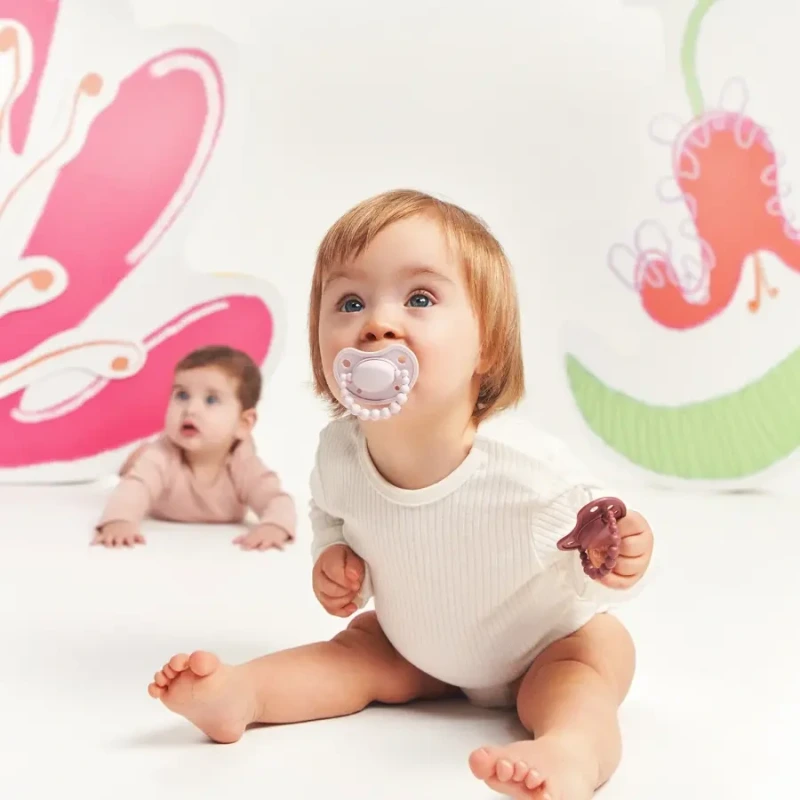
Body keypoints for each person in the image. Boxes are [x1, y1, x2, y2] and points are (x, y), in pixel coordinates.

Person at [147, 191, 654, 800]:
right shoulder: (340, 454)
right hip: (417, 645)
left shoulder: (525, 472)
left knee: (585, 672)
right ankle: (243, 695)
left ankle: (569, 754)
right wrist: (333, 555)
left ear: (487, 347)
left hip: (547, 647)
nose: (378, 324)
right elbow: (330, 511)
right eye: (350, 302)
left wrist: (620, 557)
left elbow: (597, 544)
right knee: (356, 649)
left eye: (419, 298)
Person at [93, 345, 295, 551]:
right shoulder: (162, 455)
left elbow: (275, 498)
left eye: (211, 400)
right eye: (182, 395)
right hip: (150, 464)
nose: (191, 409)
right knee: (138, 465)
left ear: (243, 423)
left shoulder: (244, 464)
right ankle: (131, 461)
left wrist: (274, 526)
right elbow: (135, 487)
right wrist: (120, 521)